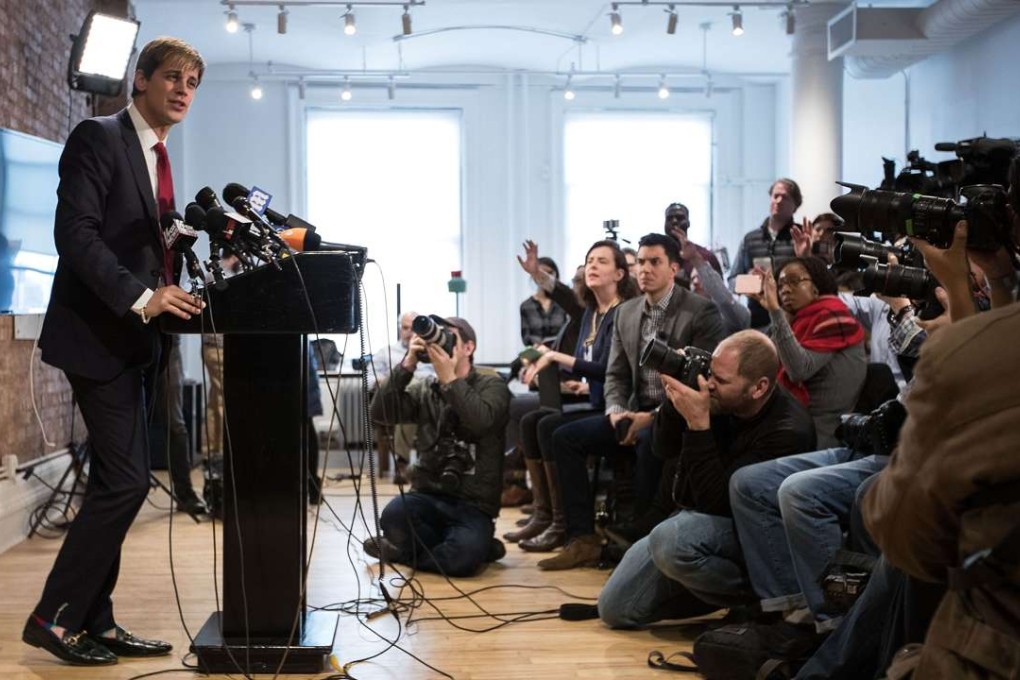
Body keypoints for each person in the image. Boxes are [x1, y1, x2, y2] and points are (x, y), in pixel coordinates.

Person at [24, 38, 206, 666]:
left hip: (135, 343)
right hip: (95, 337)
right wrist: (140, 297)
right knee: (128, 482)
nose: (183, 90)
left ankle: (94, 620)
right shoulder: (98, 137)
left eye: (193, 83)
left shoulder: (157, 157)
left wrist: (180, 274)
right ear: (142, 79)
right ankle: (53, 616)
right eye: (173, 78)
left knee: (115, 482)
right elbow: (73, 234)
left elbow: (144, 248)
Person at [597, 330, 817, 627]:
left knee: (671, 540)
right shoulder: (720, 400)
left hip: (749, 534)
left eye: (722, 381)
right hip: (695, 520)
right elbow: (662, 449)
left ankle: (758, 600)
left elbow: (718, 503)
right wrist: (676, 404)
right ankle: (705, 589)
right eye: (710, 373)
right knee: (614, 609)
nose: (709, 384)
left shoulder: (788, 431)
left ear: (758, 388)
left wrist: (698, 425)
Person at [537, 233, 727, 570]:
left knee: (648, 441)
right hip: (631, 410)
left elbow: (701, 381)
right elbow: (616, 375)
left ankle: (642, 541)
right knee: (563, 437)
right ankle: (582, 538)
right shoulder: (627, 312)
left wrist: (651, 416)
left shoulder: (700, 311)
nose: (645, 269)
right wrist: (615, 410)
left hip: (676, 416)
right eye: (640, 262)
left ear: (673, 268)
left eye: (654, 262)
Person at [505, 240, 639, 551]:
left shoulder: (624, 313)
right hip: (595, 400)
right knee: (534, 422)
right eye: (589, 259)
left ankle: (572, 529)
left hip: (619, 408)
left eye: (601, 261)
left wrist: (556, 358)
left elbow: (612, 370)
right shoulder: (592, 312)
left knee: (555, 430)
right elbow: (568, 300)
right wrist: (536, 273)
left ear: (620, 273)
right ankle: (548, 516)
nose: (591, 265)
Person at [365, 316, 512, 577]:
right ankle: (478, 549)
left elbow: (480, 422)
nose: (440, 343)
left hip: (472, 504)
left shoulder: (493, 386)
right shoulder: (425, 388)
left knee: (461, 560)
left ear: (468, 348)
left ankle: (404, 553)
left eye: (449, 337)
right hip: (427, 494)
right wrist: (407, 364)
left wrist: (450, 380)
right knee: (393, 517)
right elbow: (380, 413)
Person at [749, 256, 867, 447]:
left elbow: (798, 370)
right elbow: (765, 360)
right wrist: (781, 315)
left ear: (816, 286)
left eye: (794, 281)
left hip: (820, 434)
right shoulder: (800, 318)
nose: (785, 289)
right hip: (794, 421)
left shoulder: (832, 317)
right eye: (780, 285)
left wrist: (775, 311)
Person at [728, 178, 803, 329]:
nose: (779, 201)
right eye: (775, 196)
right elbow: (731, 282)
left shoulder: (801, 237)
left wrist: (805, 255)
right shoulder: (750, 239)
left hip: (793, 320)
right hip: (758, 320)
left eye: (785, 197)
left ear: (795, 206)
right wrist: (749, 282)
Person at [519, 256, 568, 347]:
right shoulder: (526, 306)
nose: (545, 276)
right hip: (536, 355)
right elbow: (526, 337)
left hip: (561, 354)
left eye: (550, 273)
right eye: (541, 272)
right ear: (534, 275)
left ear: (556, 275)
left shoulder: (565, 302)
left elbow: (570, 333)